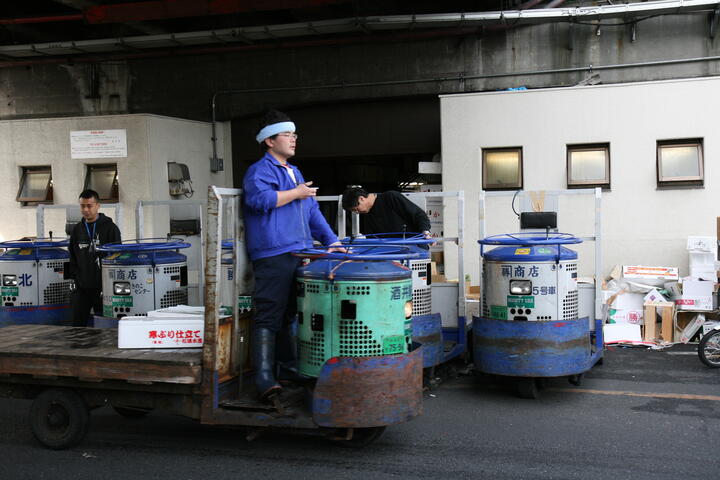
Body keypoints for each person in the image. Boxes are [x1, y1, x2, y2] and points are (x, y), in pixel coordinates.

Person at [242, 110, 343, 402]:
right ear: (269, 140)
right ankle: (263, 378)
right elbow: (258, 201)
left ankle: (286, 368)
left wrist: (332, 241)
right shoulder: (260, 170)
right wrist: (296, 193)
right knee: (269, 314)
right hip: (273, 253)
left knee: (288, 315)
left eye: (294, 134)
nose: (293, 139)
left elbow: (311, 212)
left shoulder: (294, 172)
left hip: (299, 251)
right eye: (287, 134)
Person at [68, 189, 121, 327]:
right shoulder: (77, 229)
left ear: (98, 206)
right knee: (76, 325)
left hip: (104, 288)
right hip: (82, 287)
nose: (85, 209)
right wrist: (76, 280)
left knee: (105, 325)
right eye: (82, 206)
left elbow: (117, 257)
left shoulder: (110, 228)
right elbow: (72, 256)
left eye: (89, 206)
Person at [341, 187, 432, 240]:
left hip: (412, 248)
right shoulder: (366, 214)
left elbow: (418, 214)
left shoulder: (391, 197)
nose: (357, 212)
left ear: (361, 198)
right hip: (388, 253)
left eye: (356, 209)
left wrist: (425, 231)